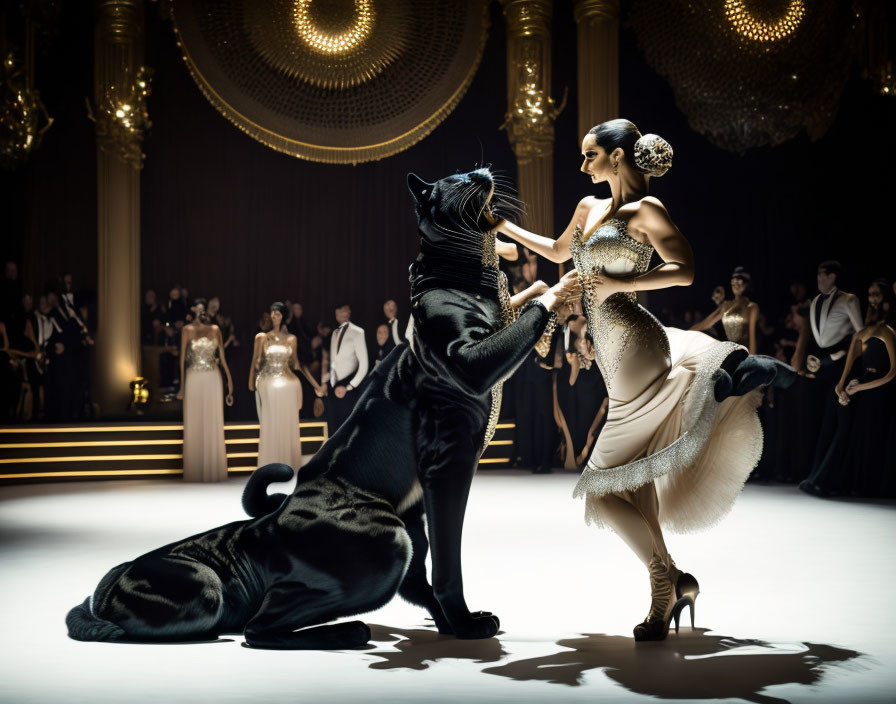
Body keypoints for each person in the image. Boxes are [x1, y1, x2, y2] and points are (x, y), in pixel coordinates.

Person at [491, 119, 792, 641]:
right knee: (638, 481)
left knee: (602, 490)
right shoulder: (589, 208)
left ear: (617, 156)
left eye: (591, 155)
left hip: (632, 339)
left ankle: (665, 578)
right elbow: (561, 253)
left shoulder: (646, 211)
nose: (583, 166)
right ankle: (669, 589)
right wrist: (503, 227)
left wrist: (617, 281)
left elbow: (685, 269)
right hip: (608, 351)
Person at [801, 280, 896, 497]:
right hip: (862, 387)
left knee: (865, 434)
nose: (872, 299)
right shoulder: (862, 333)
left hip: (880, 391)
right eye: (870, 295)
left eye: (876, 295)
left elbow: (892, 373)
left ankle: (848, 482)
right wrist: (841, 389)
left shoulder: (887, 331)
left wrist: (860, 386)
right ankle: (826, 479)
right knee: (847, 429)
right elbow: (847, 368)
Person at [177, 298, 233, 482]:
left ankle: (212, 467)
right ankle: (195, 469)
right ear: (192, 310)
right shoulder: (187, 330)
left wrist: (230, 383)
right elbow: (182, 360)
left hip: (212, 377)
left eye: (203, 309)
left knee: (212, 418)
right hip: (193, 376)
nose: (201, 311)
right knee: (195, 419)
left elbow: (222, 358)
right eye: (197, 308)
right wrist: (182, 387)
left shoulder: (215, 329)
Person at [249, 302, 302, 471]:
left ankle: (287, 461)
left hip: (287, 382)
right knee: (270, 420)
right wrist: (251, 380)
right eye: (272, 313)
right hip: (268, 381)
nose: (274, 316)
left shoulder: (292, 339)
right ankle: (270, 461)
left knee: (287, 419)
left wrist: (313, 382)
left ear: (283, 317)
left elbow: (296, 364)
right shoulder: (263, 337)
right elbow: (255, 362)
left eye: (278, 313)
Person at [321, 304, 368, 435]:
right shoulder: (334, 334)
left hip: (348, 389)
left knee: (348, 430)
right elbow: (333, 364)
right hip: (333, 386)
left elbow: (364, 364)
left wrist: (349, 386)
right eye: (337, 312)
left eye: (343, 311)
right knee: (333, 429)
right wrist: (325, 383)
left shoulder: (358, 332)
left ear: (349, 312)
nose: (340, 314)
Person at [690, 268, 759, 352]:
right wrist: (682, 334)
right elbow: (704, 324)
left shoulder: (752, 307)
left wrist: (751, 361)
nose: (736, 281)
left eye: (741, 279)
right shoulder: (726, 305)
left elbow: (752, 338)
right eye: (734, 278)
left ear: (748, 284)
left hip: (745, 354)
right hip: (730, 353)